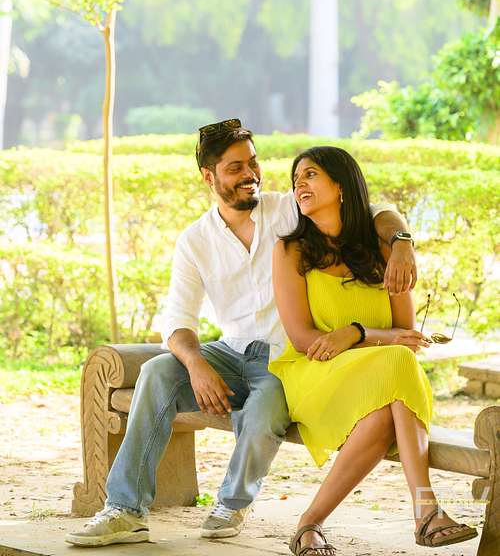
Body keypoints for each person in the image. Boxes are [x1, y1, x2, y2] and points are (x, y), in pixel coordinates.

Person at [66, 120, 417, 547]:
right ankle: (125, 509)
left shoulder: (289, 209)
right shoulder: (195, 240)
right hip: (229, 352)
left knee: (264, 410)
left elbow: (374, 211)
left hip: (288, 360)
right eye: (235, 168)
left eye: (253, 163)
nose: (250, 174)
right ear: (208, 176)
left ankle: (231, 503)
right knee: (157, 372)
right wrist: (196, 365)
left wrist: (402, 241)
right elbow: (177, 321)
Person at [268, 145, 478, 555]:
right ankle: (426, 509)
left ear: (341, 186)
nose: (299, 184)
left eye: (310, 174)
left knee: (384, 413)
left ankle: (309, 525)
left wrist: (357, 334)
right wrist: (365, 336)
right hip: (314, 373)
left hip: (379, 376)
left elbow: (406, 333)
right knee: (396, 360)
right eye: (296, 179)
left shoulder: (382, 249)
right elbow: (305, 340)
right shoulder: (291, 250)